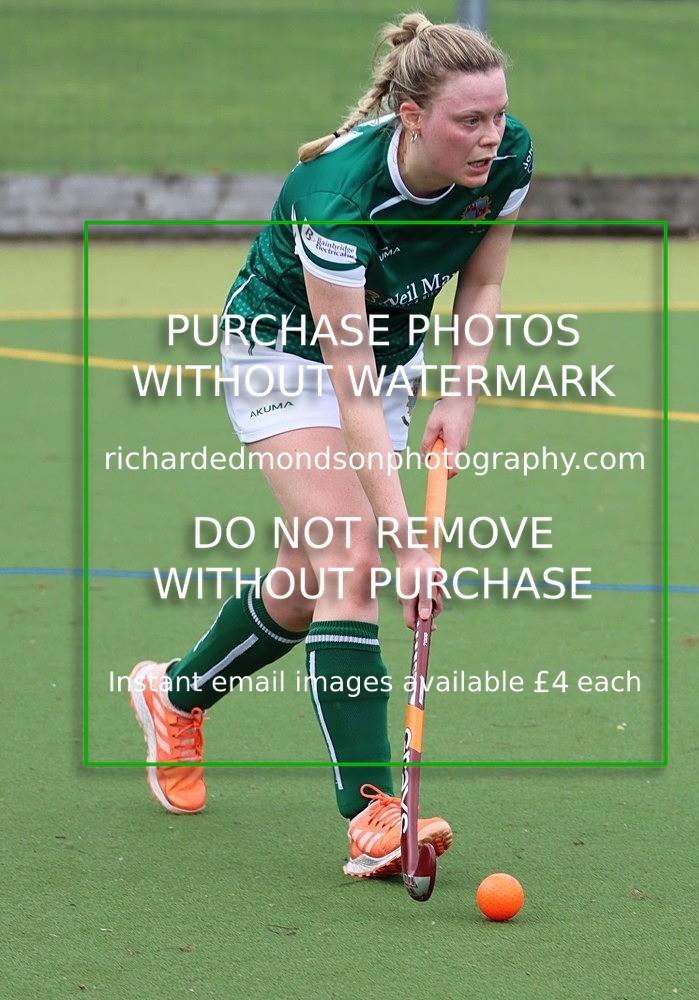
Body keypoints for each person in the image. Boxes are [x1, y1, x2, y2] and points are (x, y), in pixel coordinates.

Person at [129, 12, 533, 880]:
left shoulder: (507, 160)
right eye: (470, 120)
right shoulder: (336, 195)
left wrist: (459, 395)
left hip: (386, 361)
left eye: (498, 115)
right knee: (351, 552)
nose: (490, 137)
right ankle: (372, 814)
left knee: (308, 588)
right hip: (284, 353)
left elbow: (486, 277)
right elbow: (341, 382)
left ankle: (175, 694)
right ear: (413, 115)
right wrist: (408, 542)